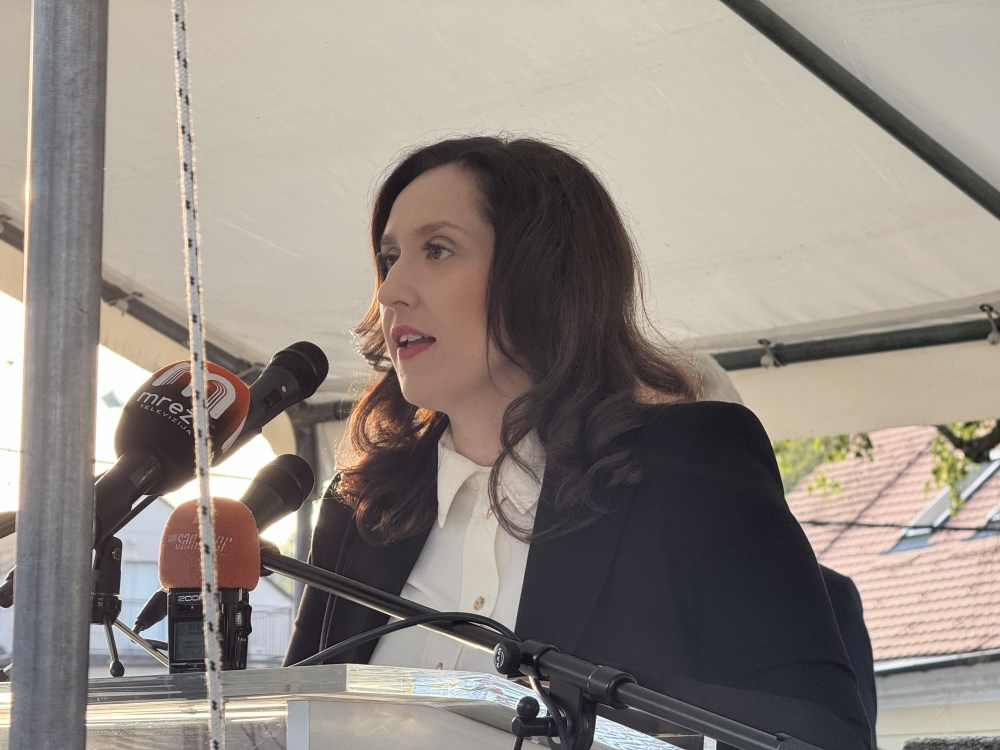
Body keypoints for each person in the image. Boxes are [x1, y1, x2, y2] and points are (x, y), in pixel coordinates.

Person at [285, 136, 871, 749]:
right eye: (389, 258)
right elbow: (288, 722)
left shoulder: (685, 469)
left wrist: (579, 714)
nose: (390, 291)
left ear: (542, 275)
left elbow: (821, 737)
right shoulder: (362, 511)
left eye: (437, 250)